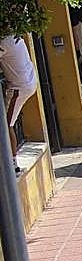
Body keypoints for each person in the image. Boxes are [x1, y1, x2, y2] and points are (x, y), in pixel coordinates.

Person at [0, 36, 37, 173]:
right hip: (28, 82)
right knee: (8, 122)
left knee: (5, 124)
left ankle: (12, 162)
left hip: (19, 87)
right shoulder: (16, 37)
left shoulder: (4, 42)